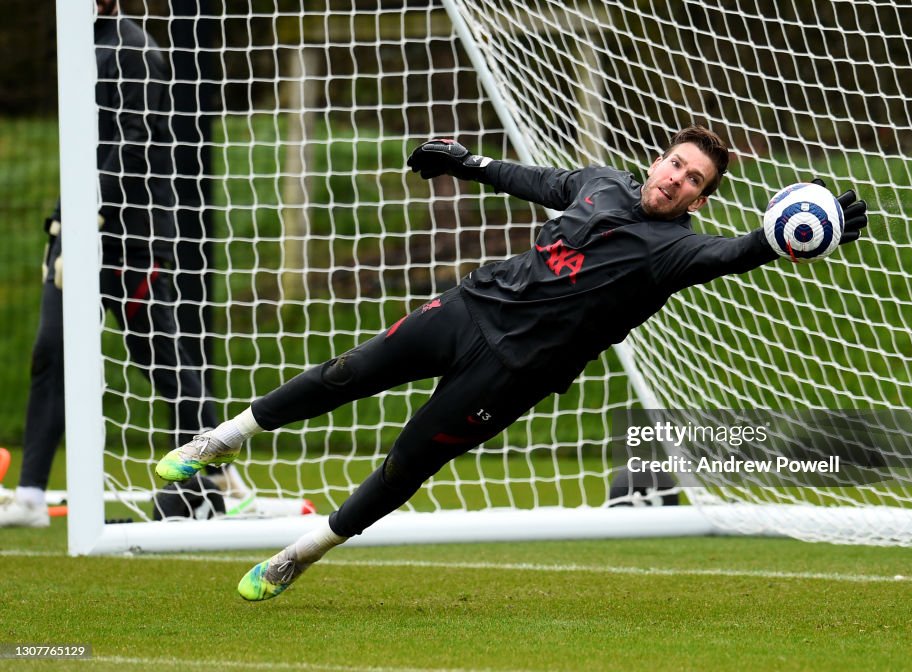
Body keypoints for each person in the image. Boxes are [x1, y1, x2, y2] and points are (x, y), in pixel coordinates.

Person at [155, 126, 869, 601]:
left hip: (509, 374)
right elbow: (536, 181)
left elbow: (740, 251)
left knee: (406, 465)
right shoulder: (600, 183)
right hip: (469, 309)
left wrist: (797, 234)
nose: (677, 180)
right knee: (349, 371)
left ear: (701, 199)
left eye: (694, 180)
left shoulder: (676, 253)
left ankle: (299, 555)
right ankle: (219, 442)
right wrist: (464, 163)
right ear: (658, 160)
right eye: (675, 164)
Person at [0, 0, 241, 528]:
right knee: (51, 350)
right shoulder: (77, 44)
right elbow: (82, 149)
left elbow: (133, 142)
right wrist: (63, 226)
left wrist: (94, 215)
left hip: (131, 235)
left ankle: (216, 476)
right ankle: (32, 495)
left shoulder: (134, 49)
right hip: (78, 229)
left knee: (162, 359)